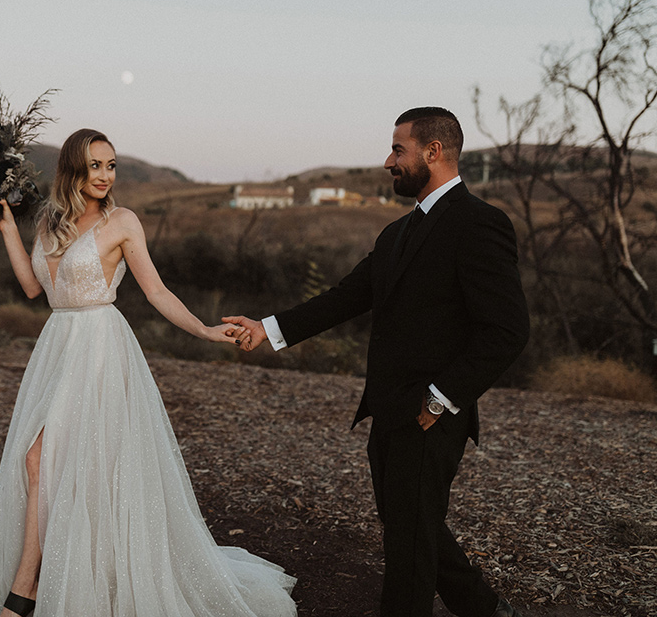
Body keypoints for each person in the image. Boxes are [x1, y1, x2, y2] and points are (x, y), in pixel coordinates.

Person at [225, 108, 530, 617]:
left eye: (398, 149)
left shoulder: (480, 224)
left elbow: (508, 330)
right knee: (410, 523)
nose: (389, 160)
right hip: (389, 410)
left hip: (431, 414)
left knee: (408, 546)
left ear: (433, 152)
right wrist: (268, 329)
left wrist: (439, 399)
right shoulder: (395, 234)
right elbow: (346, 297)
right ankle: (485, 609)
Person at [0, 128, 298, 617]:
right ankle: (62, 573)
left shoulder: (124, 222)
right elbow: (33, 288)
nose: (105, 175)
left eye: (111, 166)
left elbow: (155, 292)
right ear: (73, 169)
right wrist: (8, 228)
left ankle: (24, 592)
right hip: (59, 346)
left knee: (42, 460)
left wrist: (201, 328)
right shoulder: (48, 222)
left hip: (100, 348)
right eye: (95, 166)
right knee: (47, 463)